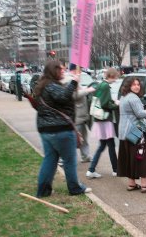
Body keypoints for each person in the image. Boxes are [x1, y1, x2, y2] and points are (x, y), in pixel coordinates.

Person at [34, 60, 91, 197]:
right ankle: (74, 188)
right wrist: (74, 82)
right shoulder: (51, 86)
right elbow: (64, 96)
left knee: (50, 160)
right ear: (54, 71)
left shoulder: (42, 86)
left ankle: (43, 190)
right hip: (61, 130)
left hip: (46, 130)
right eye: (61, 69)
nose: (63, 71)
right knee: (69, 160)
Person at [117, 77, 146, 193]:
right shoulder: (133, 98)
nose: (137, 86)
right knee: (141, 157)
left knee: (130, 158)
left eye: (138, 84)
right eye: (133, 85)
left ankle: (131, 184)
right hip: (135, 132)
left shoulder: (124, 97)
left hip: (124, 133)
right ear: (128, 86)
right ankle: (144, 185)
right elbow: (140, 114)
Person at [86, 68, 120, 178]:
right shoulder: (105, 86)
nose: (116, 79)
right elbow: (105, 104)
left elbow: (99, 100)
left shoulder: (100, 85)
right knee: (110, 145)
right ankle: (115, 169)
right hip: (105, 119)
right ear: (112, 76)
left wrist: (111, 102)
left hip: (99, 119)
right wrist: (116, 104)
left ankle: (91, 169)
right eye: (115, 77)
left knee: (103, 145)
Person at [69, 63, 96, 163]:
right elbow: (74, 95)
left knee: (83, 137)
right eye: (79, 69)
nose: (80, 71)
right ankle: (67, 158)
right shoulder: (70, 80)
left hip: (81, 115)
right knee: (76, 138)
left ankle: (85, 156)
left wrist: (84, 89)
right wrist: (87, 90)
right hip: (77, 115)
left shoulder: (76, 79)